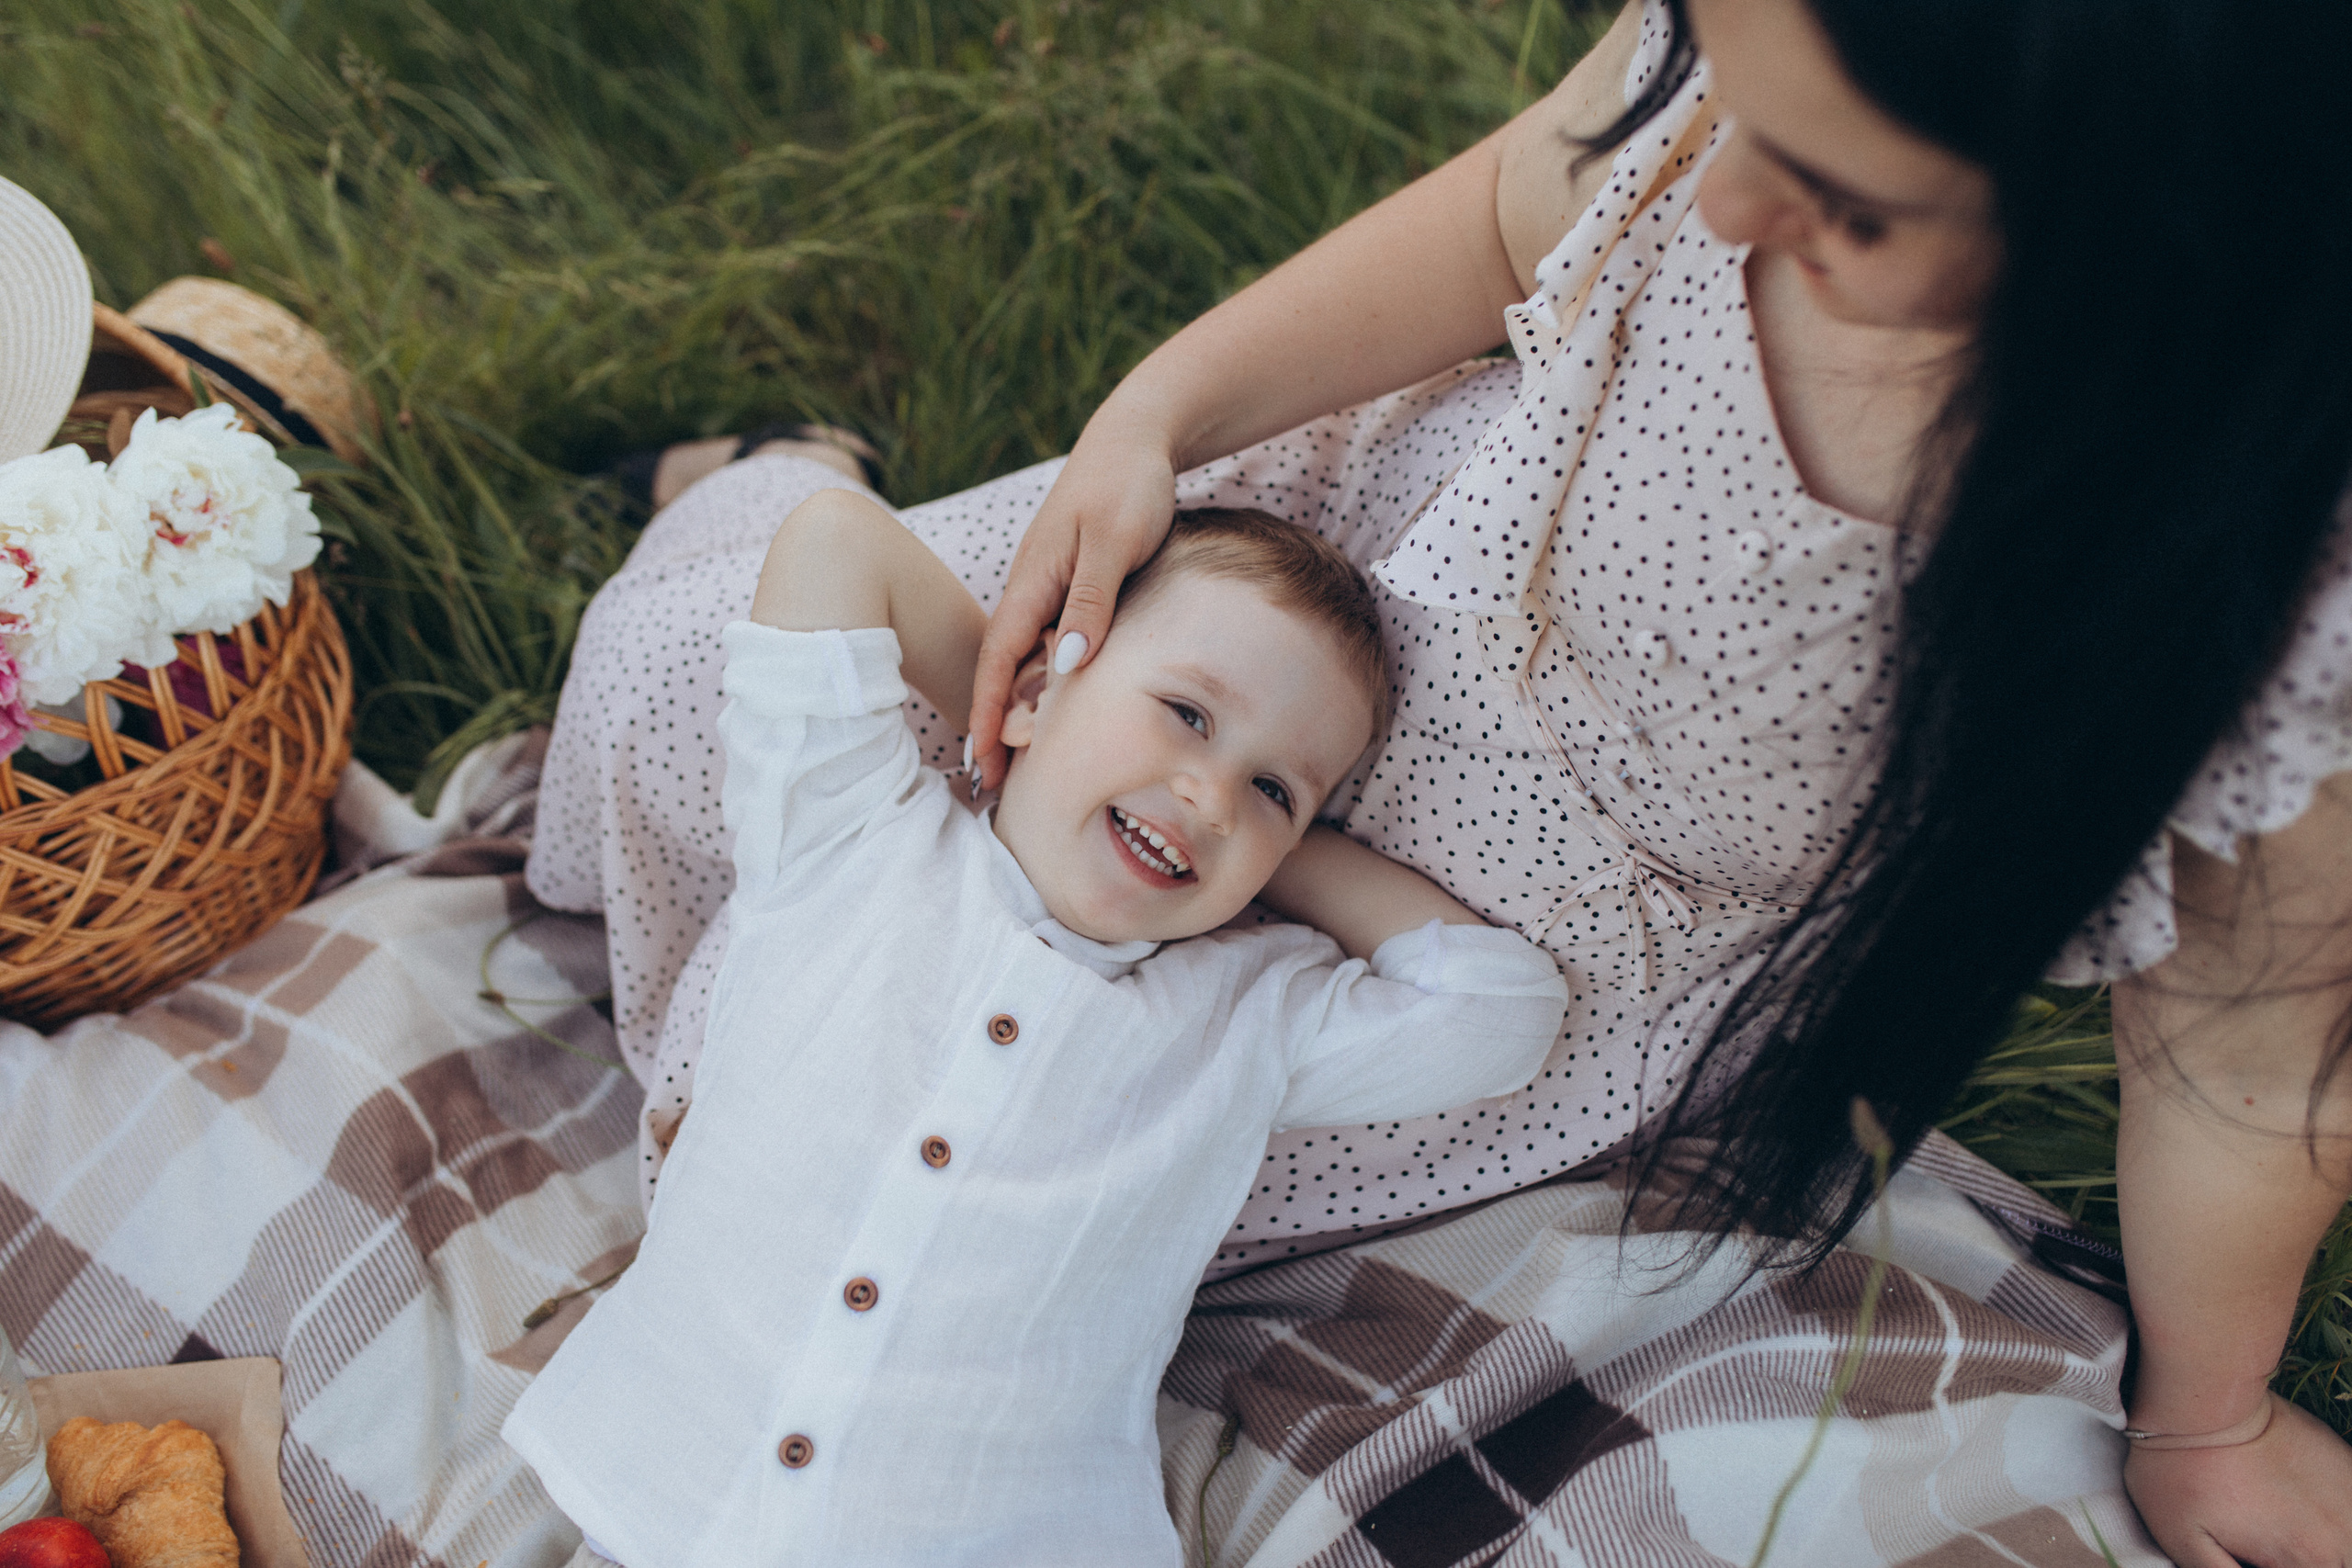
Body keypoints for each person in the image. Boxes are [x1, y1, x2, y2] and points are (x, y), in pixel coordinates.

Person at [527, 0, 2352, 1560]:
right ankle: (768, 477)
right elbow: (1499, 216)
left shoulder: (2245, 583)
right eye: (1711, 74)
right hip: (1299, 610)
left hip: (1516, 916)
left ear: (2156, 251)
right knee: (681, 692)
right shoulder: (1788, 73)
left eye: (1847, 209)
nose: (1712, 196)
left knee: (1060, 1159)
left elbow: (2247, 1073)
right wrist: (1152, 421)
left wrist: (2199, 1420)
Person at [503, 493, 1569, 1566]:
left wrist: (1265, 849)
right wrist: (1030, 704)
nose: (1208, 796)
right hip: (668, 1495)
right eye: (1187, 715)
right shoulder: (847, 831)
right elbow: (834, 540)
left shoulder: (1249, 1015)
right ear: (1029, 687)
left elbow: (1500, 1011)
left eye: (1275, 788)